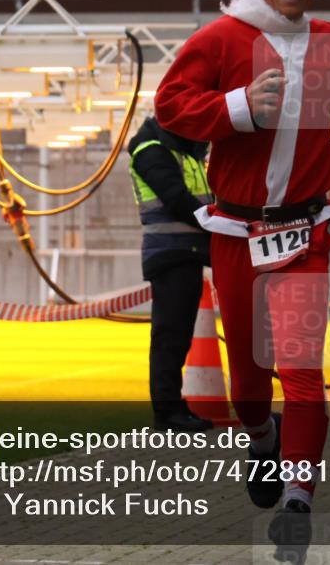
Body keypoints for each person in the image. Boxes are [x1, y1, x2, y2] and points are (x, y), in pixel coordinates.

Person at [155, 0, 330, 547]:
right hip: (237, 231)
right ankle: (261, 439)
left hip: (307, 231)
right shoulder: (221, 38)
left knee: (302, 367)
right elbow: (171, 105)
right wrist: (236, 107)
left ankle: (298, 496)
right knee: (250, 377)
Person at [128, 115, 214, 432]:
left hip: (186, 251)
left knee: (176, 336)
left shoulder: (181, 151)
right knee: (170, 337)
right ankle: (167, 413)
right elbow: (178, 199)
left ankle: (173, 409)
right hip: (171, 252)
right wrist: (218, 230)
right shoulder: (152, 150)